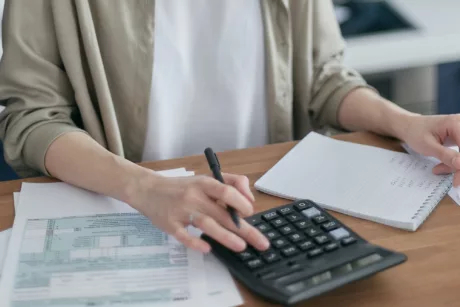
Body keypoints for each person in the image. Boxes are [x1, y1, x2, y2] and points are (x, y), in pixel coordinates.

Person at [0, 0, 459, 255]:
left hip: (265, 208)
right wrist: (144, 187)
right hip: (134, 214)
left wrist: (407, 122)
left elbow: (323, 79)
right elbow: (33, 117)